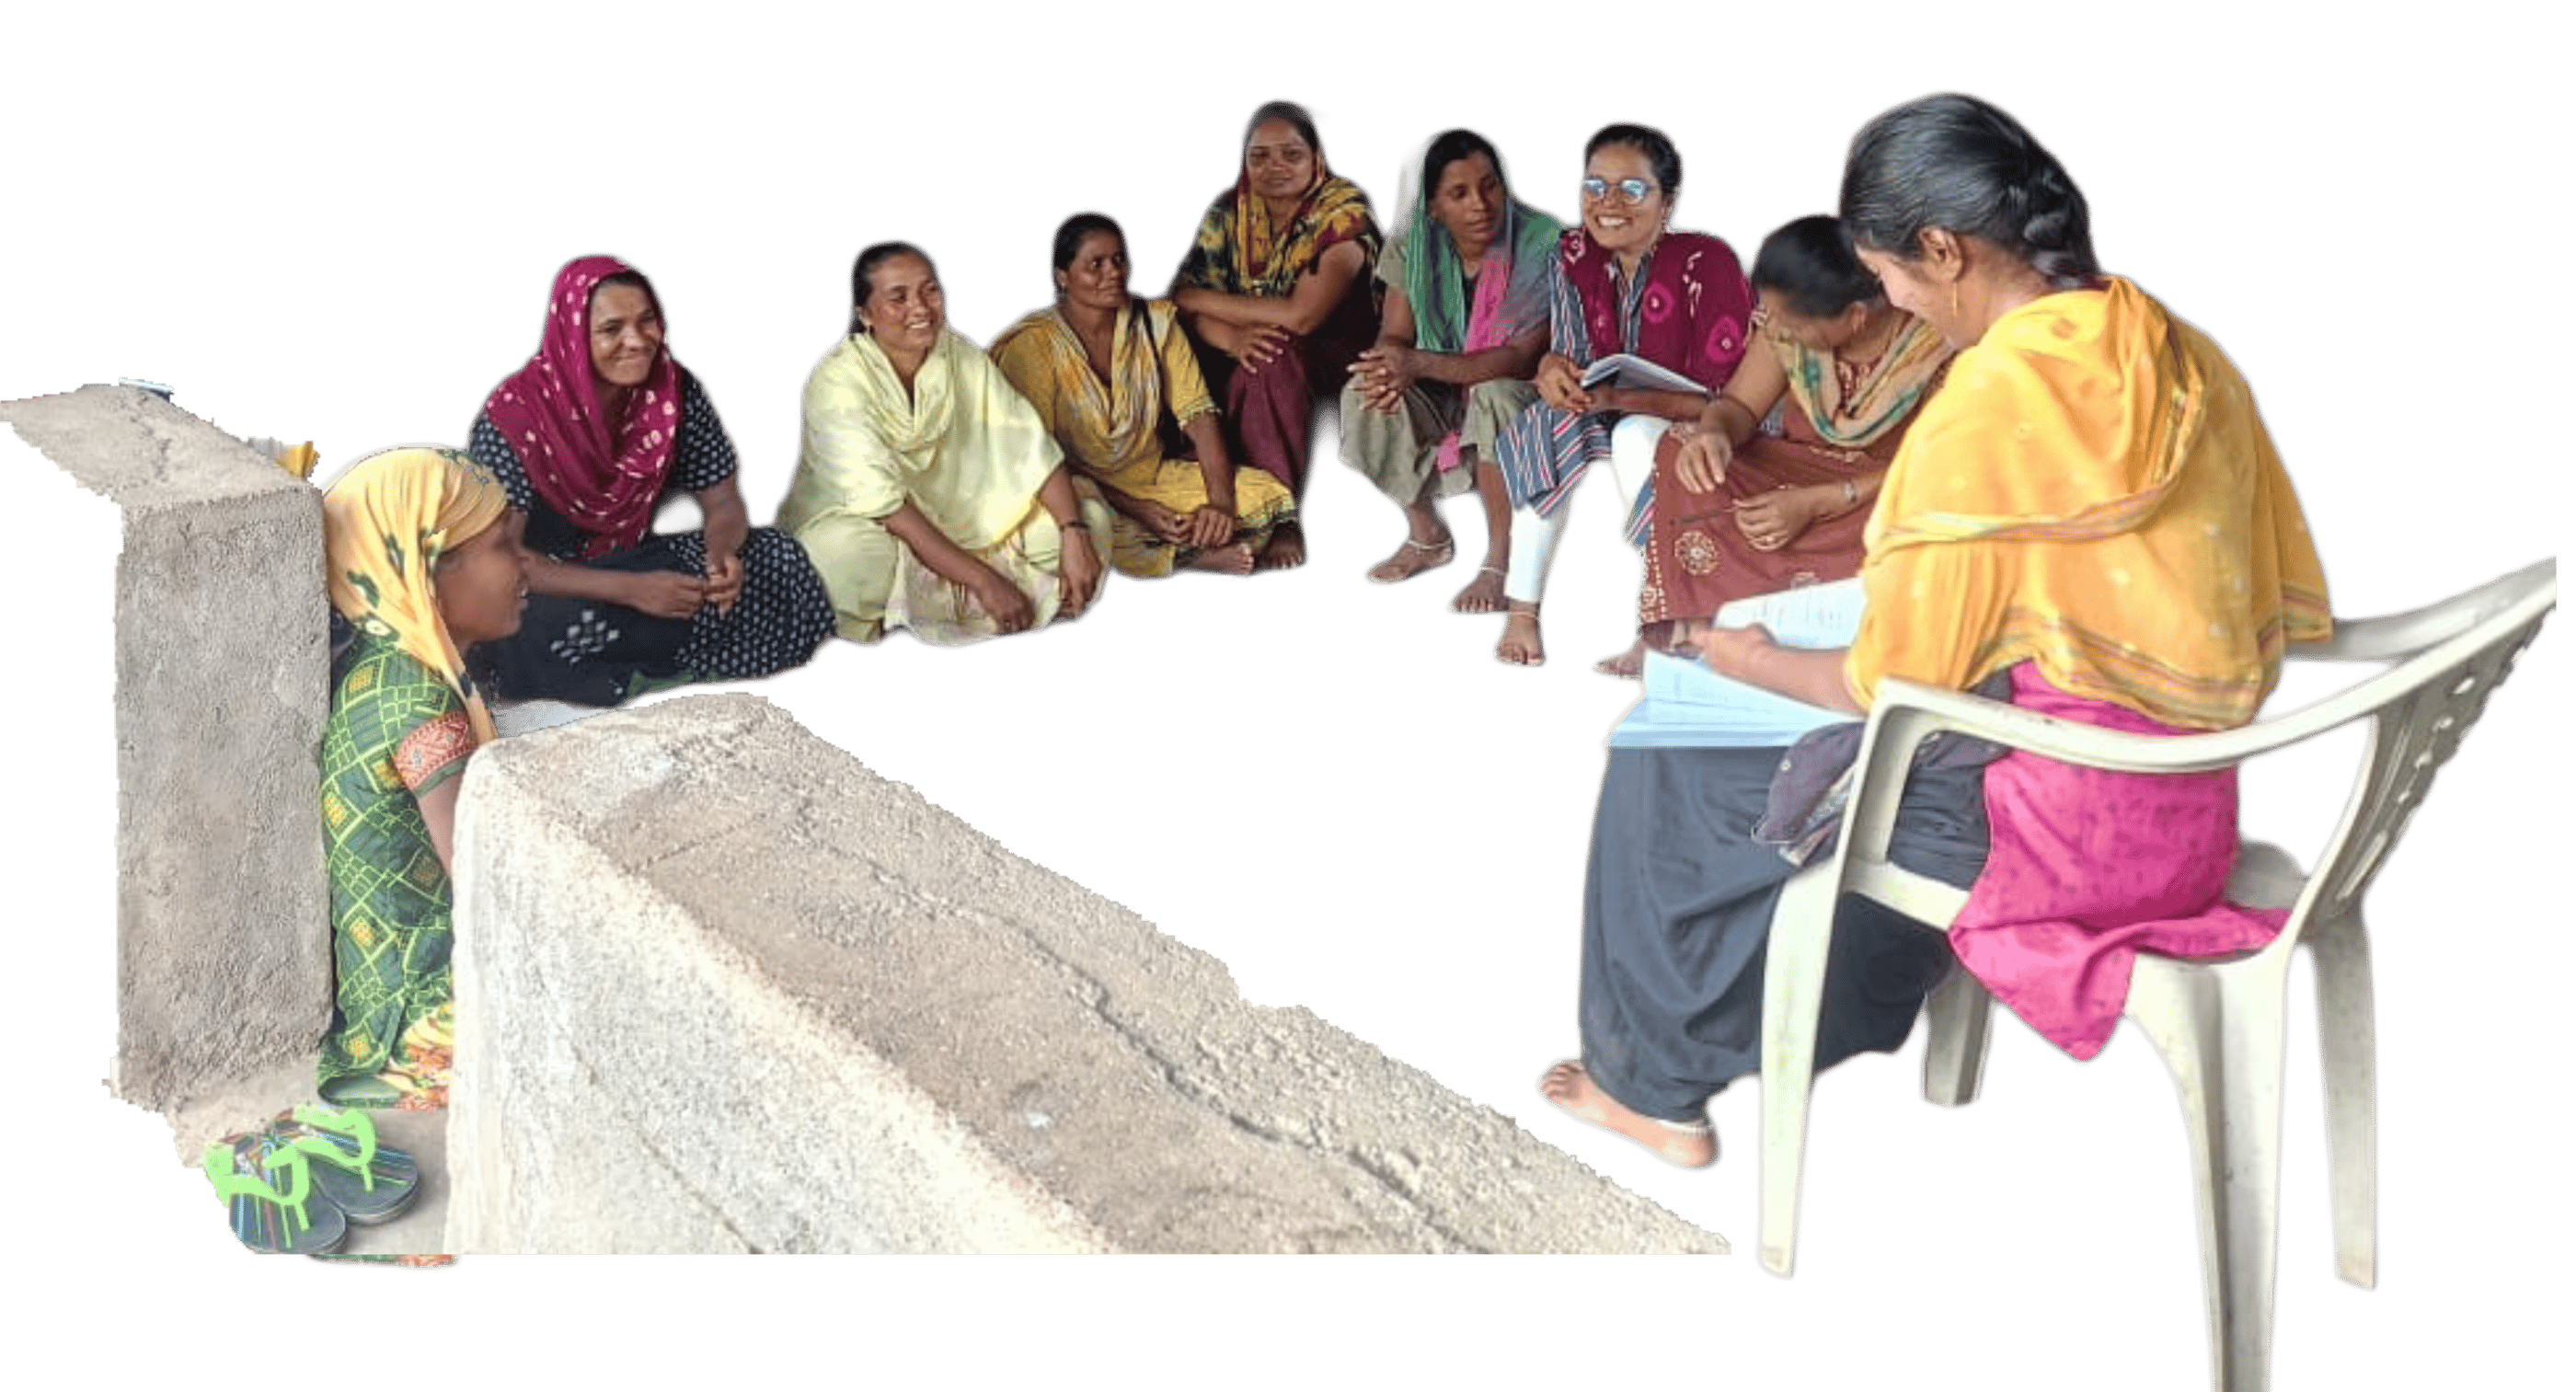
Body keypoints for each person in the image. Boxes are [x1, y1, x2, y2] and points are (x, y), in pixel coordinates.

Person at [1534, 90, 2332, 1169]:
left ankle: (1650, 1087)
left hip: (2052, 830)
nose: (1899, 301)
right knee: (1781, 737)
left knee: (1662, 739)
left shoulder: (1993, 393)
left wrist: (1745, 654)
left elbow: (1885, 684)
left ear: (1944, 251)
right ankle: (1796, 1028)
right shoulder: (2173, 345)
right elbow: (2264, 598)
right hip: (2182, 803)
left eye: (1892, 275)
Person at [309, 443, 535, 1266]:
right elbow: (479, 884)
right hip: (413, 1013)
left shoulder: (387, 667)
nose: (526, 568)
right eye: (503, 546)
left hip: (389, 977)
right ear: (422, 568)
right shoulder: (421, 706)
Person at [464, 254, 835, 708]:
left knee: (775, 557)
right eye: (611, 329)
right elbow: (503, 557)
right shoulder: (515, 417)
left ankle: (667, 661)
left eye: (646, 321)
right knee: (523, 624)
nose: (637, 341)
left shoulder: (675, 391)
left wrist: (721, 558)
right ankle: (619, 677)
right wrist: (634, 591)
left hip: (642, 557)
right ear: (572, 336)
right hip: (551, 581)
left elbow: (724, 502)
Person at [1490, 121, 1754, 679]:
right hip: (1606, 406)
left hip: (1702, 424)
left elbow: (1732, 399)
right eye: (1594, 186)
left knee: (1637, 436)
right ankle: (1521, 611)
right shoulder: (1574, 254)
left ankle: (1659, 627)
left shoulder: (1705, 260)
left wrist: (1619, 396)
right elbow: (1569, 353)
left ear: (1669, 203)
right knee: (1546, 422)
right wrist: (1553, 370)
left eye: (1633, 189)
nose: (1608, 203)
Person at [774, 240, 1111, 648]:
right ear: (865, 315)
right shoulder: (836, 380)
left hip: (971, 523)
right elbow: (885, 506)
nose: (920, 308)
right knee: (834, 560)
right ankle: (975, 596)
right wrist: (983, 581)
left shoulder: (957, 352)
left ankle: (936, 601)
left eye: (929, 290)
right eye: (898, 298)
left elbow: (1028, 445)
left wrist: (1073, 532)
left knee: (1092, 522)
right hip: (883, 531)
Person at [1642, 212, 1954, 649]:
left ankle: (1815, 636)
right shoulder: (1784, 331)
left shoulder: (1937, 348)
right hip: (1794, 475)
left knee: (1924, 516)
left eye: (1792, 324)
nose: (1776, 328)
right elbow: (1737, 406)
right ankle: (1701, 630)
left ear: (1856, 316)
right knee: (1680, 447)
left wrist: (1819, 502)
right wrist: (1714, 433)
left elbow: (1942, 463)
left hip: (1884, 491)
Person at [991, 211, 1295, 581]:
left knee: (1263, 493)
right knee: (1080, 521)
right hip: (1074, 484)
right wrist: (1138, 509)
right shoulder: (1033, 347)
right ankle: (1186, 558)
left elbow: (1200, 418)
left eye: (1119, 260)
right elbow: (1037, 457)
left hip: (1151, 477)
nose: (1114, 273)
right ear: (1063, 277)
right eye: (1096, 265)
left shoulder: (1156, 323)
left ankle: (1186, 542)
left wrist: (1219, 505)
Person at [1339, 124, 1560, 614]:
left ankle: (1500, 561)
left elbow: (1521, 359)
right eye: (1458, 194)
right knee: (1365, 390)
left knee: (1494, 393)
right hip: (1442, 383)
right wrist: (1390, 366)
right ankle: (1426, 535)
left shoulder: (1542, 244)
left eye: (1489, 186)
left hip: (1522, 391)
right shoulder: (1412, 245)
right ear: (1433, 207)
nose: (1480, 204)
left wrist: (1418, 362)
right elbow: (1396, 334)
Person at [1167, 98, 1383, 573]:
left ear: (1317, 159)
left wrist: (1200, 301)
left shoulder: (1344, 214)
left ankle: (1279, 517)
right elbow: (1178, 303)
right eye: (1259, 156)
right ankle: (1190, 485)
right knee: (1163, 339)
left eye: (1291, 154)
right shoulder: (1229, 212)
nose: (1274, 167)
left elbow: (1302, 316)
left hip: (1333, 350)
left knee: (1270, 352)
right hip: (1245, 341)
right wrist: (1229, 337)